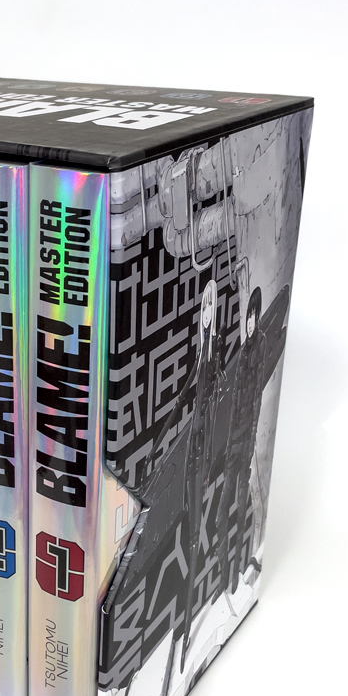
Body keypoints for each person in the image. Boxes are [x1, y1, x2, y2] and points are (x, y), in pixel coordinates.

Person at [144, 279, 226, 672]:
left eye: (211, 305)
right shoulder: (200, 354)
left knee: (194, 537)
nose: (206, 312)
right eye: (203, 306)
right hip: (193, 453)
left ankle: (188, 624)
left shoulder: (217, 351)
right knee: (184, 530)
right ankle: (182, 622)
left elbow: (217, 394)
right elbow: (181, 401)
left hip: (207, 454)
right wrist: (159, 442)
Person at [214, 285, 267, 599]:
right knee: (222, 513)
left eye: (253, 316)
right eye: (248, 316)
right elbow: (234, 403)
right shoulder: (245, 348)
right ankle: (225, 577)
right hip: (233, 444)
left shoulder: (258, 346)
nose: (249, 321)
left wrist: (248, 443)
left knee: (238, 510)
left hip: (245, 443)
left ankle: (234, 578)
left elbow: (255, 398)